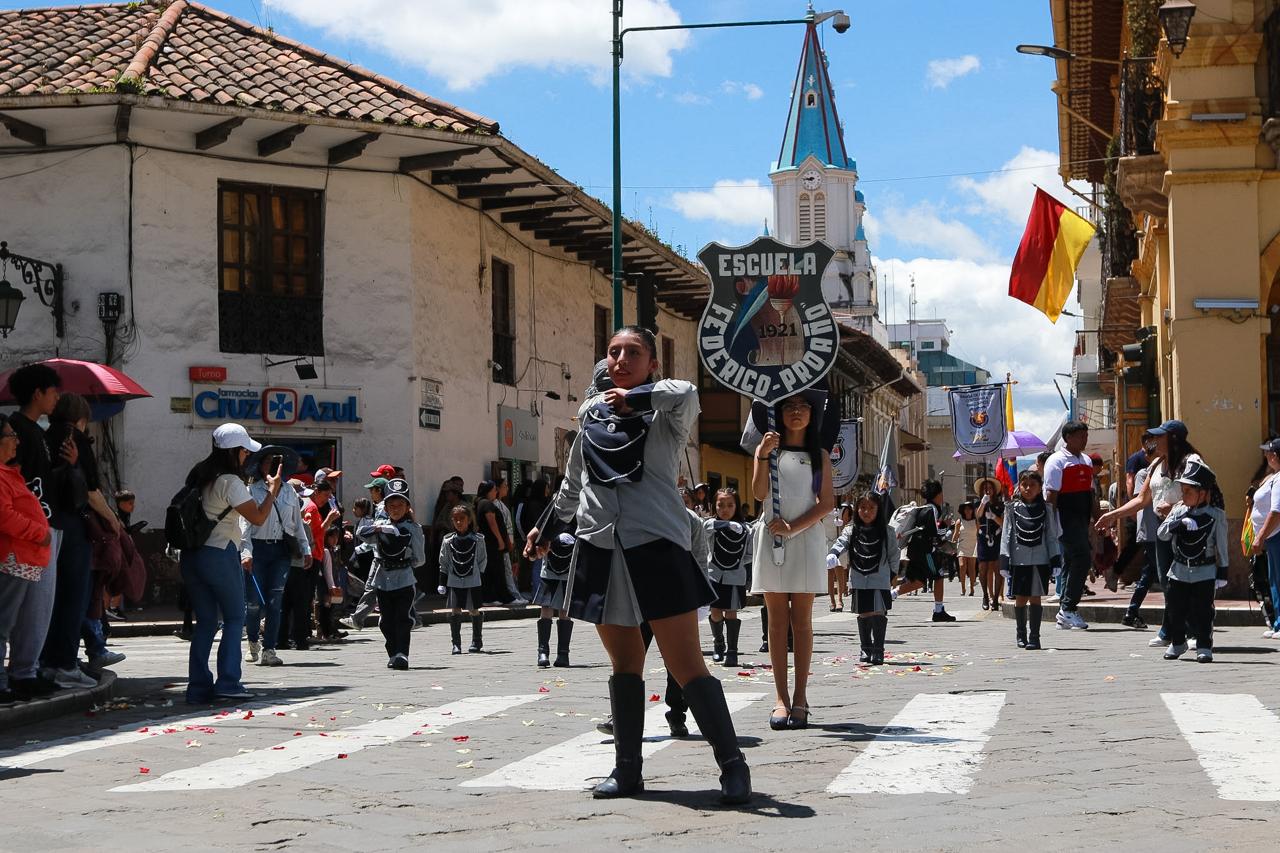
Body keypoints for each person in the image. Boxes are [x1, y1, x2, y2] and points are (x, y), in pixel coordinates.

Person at [525, 327, 750, 805]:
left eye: (633, 353)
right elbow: (571, 486)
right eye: (613, 352)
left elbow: (687, 391)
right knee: (625, 663)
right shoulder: (590, 422)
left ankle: (733, 766)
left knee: (686, 663)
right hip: (600, 549)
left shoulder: (667, 417)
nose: (621, 359)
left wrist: (637, 397)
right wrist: (543, 530)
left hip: (656, 546)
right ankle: (627, 770)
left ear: (652, 364)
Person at [179, 423, 281, 703]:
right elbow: (258, 517)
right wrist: (272, 491)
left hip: (192, 555)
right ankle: (228, 682)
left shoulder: (200, 475)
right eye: (245, 451)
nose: (248, 456)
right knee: (235, 618)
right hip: (220, 553)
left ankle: (198, 687)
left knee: (207, 622)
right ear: (235, 451)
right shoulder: (230, 482)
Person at [751, 390, 834, 731]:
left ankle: (800, 697)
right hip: (771, 537)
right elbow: (759, 493)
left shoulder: (820, 457)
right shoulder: (769, 453)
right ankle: (780, 698)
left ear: (812, 415)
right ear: (779, 414)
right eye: (789, 407)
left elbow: (826, 502)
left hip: (804, 537)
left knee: (801, 623)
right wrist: (760, 454)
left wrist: (793, 528)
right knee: (775, 624)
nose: (796, 412)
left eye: (803, 407)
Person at [1097, 419, 1206, 647]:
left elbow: (1202, 494)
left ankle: (1194, 631)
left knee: (1187, 581)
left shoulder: (1192, 462)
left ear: (1173, 439)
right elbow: (1141, 499)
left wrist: (1176, 507)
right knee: (1168, 582)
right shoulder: (1156, 464)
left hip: (1187, 531)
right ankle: (1170, 630)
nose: (1154, 440)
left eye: (1160, 436)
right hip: (1163, 531)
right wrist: (1112, 515)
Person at [240, 446, 310, 668]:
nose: (273, 465)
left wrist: (306, 549)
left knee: (275, 602)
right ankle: (252, 643)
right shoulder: (251, 490)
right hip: (257, 550)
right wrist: (246, 552)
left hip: (281, 552)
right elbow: (245, 526)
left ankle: (269, 649)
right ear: (260, 466)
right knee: (253, 603)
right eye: (268, 461)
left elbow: (296, 524)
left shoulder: (290, 491)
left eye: (277, 461)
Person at [0, 413, 53, 704]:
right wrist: (39, 532)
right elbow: (4, 515)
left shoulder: (9, 473)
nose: (16, 441)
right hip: (12, 557)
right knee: (2, 625)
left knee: (7, 624)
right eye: (10, 435)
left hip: (22, 558)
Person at [1156, 461, 1229, 662]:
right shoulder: (1179, 511)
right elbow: (1161, 534)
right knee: (1175, 609)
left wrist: (1223, 571)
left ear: (1203, 493)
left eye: (1188, 491)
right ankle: (1178, 642)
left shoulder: (1216, 515)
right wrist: (1177, 524)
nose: (1183, 495)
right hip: (1178, 569)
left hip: (1204, 571)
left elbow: (1221, 545)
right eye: (1183, 490)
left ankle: (1204, 646)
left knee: (1203, 611)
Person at [827, 489, 898, 665]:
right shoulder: (851, 530)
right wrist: (834, 553)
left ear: (878, 510)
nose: (866, 512)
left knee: (878, 612)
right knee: (864, 613)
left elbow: (894, 555)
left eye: (871, 508)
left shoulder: (887, 531)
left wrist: (893, 575)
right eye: (862, 507)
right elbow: (841, 542)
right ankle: (865, 648)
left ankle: (878, 649)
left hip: (880, 578)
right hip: (859, 578)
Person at [360, 478, 424, 669]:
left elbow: (420, 559)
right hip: (382, 580)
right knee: (386, 621)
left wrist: (405, 553)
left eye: (400, 504)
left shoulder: (413, 529)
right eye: (391, 505)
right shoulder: (379, 526)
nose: (396, 509)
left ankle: (402, 654)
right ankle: (393, 653)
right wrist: (380, 528)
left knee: (402, 618)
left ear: (408, 507)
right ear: (385, 507)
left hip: (404, 579)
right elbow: (361, 534)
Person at [1000, 471, 1062, 650]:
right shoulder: (1011, 508)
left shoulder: (1046, 508)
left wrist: (1055, 559)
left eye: (1032, 485)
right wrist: (1004, 560)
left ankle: (1035, 637)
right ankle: (1021, 634)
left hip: (1040, 560)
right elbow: (1006, 534)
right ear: (1019, 486)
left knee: (1036, 598)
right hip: (1019, 560)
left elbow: (1051, 536)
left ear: (1039, 487)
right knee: (1020, 599)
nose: (1028, 488)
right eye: (1024, 484)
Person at [1044, 421, 1097, 631]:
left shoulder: (1086, 460)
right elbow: (1051, 495)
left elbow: (1091, 493)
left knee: (1070, 561)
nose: (1085, 439)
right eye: (1080, 435)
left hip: (1082, 519)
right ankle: (1068, 607)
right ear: (1068, 438)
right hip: (1065, 519)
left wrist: (1097, 519)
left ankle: (1064, 612)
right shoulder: (1056, 461)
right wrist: (1050, 525)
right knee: (1082, 558)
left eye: (1086, 435)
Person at [892, 481, 957, 622]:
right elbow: (934, 532)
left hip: (915, 550)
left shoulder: (924, 509)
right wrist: (946, 526)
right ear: (938, 494)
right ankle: (938, 611)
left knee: (919, 581)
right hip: (926, 552)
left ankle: (890, 595)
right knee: (938, 576)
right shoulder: (931, 510)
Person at [703, 487, 751, 669]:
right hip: (714, 575)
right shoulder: (711, 525)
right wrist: (726, 525)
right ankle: (718, 642)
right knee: (715, 611)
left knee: (731, 612)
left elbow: (749, 553)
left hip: (735, 576)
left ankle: (732, 651)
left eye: (730, 505)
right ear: (714, 506)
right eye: (720, 505)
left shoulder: (746, 529)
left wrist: (738, 565)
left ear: (736, 507)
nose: (725, 509)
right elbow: (704, 527)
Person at [436, 503, 486, 655]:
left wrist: (478, 576)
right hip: (454, 579)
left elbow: (482, 560)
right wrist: (442, 583)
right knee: (455, 610)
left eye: (462, 519)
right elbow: (443, 563)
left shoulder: (478, 540)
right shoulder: (448, 541)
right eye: (455, 519)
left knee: (473, 609)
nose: (459, 522)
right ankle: (456, 644)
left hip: (473, 579)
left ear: (469, 520)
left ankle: (476, 641)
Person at [531, 518, 574, 668]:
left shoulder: (579, 508)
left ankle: (563, 654)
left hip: (570, 567)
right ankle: (542, 652)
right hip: (549, 568)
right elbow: (539, 532)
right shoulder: (551, 512)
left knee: (565, 610)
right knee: (546, 608)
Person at [1249, 439, 1280, 640]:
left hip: (1276, 536)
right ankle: (1277, 623)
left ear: (1276, 455)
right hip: (1272, 537)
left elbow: (1276, 511)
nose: (1265, 456)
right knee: (1274, 580)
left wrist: (1260, 537)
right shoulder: (1273, 477)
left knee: (1278, 579)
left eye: (1268, 453)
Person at [475, 480, 513, 606]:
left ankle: (493, 596)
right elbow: (492, 522)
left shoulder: (481, 503)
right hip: (492, 543)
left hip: (489, 543)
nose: (496, 492)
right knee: (496, 570)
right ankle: (494, 597)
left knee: (492, 570)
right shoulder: (486, 504)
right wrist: (500, 539)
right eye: (494, 490)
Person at [494, 479, 529, 605]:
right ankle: (511, 595)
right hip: (504, 542)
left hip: (509, 540)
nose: (507, 488)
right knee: (507, 570)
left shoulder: (502, 505)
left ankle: (513, 594)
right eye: (504, 486)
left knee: (510, 569)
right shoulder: (495, 506)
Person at [974, 478, 1004, 611]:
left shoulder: (1000, 505)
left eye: (990, 487)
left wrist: (994, 517)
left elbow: (1003, 523)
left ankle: (996, 598)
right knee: (983, 568)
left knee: (997, 568)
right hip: (983, 538)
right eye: (985, 488)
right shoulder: (978, 503)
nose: (988, 490)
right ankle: (985, 596)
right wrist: (982, 503)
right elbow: (978, 516)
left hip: (997, 537)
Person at [824, 503, 851, 612]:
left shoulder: (844, 509)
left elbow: (846, 526)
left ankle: (840, 599)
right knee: (829, 572)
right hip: (826, 541)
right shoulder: (823, 506)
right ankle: (832, 601)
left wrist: (840, 523)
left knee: (839, 570)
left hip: (838, 542)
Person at [954, 501, 978, 598]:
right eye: (966, 509)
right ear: (963, 511)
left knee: (972, 568)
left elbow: (979, 534)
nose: (968, 511)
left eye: (970, 509)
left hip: (973, 546)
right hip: (962, 546)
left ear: (972, 510)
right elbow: (955, 535)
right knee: (962, 566)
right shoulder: (959, 521)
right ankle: (963, 588)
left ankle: (972, 587)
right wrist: (951, 544)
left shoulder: (976, 521)